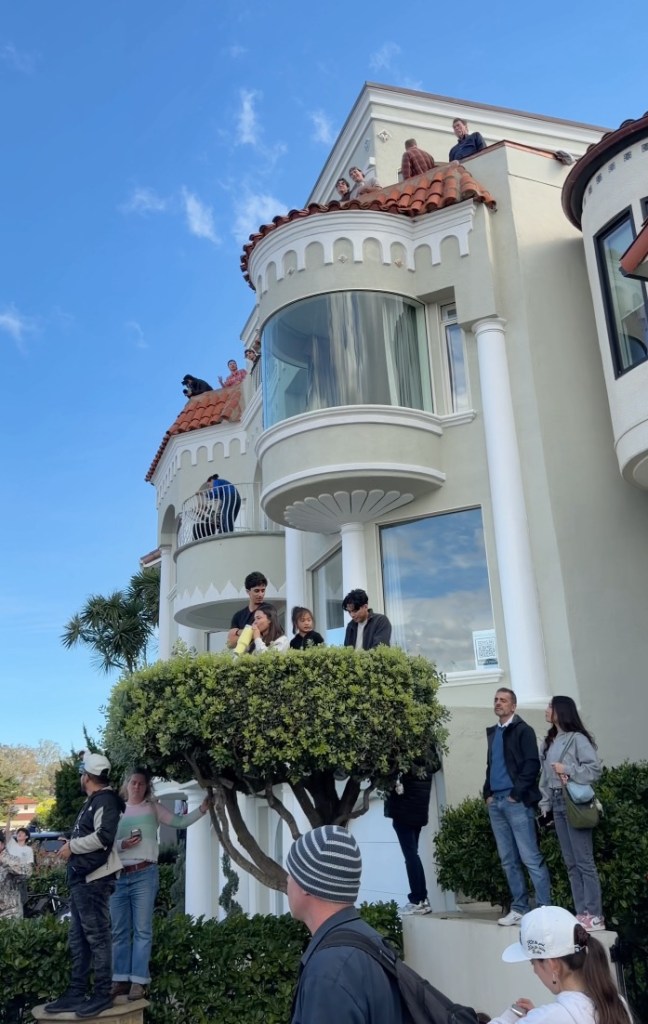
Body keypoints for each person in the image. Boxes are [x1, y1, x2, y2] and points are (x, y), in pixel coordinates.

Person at [111, 768, 212, 1003]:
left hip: (145, 873)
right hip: (117, 874)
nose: (137, 787)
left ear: (147, 787)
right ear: (126, 784)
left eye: (142, 784)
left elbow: (179, 821)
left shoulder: (152, 807)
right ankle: (119, 979)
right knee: (119, 931)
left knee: (143, 929)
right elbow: (105, 843)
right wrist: (123, 844)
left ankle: (138, 981)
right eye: (134, 783)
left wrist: (203, 809)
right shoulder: (115, 810)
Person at [287, 825, 403, 1024]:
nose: (287, 879)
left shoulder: (329, 972)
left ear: (307, 884)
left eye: (291, 873)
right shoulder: (370, 941)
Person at [45, 753, 125, 1018]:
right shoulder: (95, 801)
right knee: (79, 938)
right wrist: (70, 841)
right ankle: (77, 993)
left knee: (98, 938)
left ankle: (101, 995)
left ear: (87, 776)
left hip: (94, 880)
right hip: (84, 880)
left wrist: (72, 846)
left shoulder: (105, 800)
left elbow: (104, 836)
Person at [490, 905, 631, 1023]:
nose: (534, 971)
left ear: (553, 965)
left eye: (533, 963)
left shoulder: (548, 1017)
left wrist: (510, 1016)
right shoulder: (617, 1003)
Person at [484, 688, 551, 926]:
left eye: (503, 700)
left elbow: (532, 765)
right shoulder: (494, 732)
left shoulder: (523, 730)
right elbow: (491, 765)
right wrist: (488, 794)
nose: (498, 703)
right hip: (496, 803)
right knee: (508, 860)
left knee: (530, 857)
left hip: (516, 802)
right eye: (496, 700)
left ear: (513, 707)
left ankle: (544, 909)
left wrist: (515, 794)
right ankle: (519, 908)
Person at [539, 697, 604, 932]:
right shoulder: (548, 742)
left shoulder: (577, 739)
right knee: (571, 863)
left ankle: (595, 914)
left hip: (573, 802)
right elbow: (545, 778)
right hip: (556, 802)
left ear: (560, 711)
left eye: (550, 706)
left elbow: (594, 770)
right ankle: (582, 913)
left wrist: (566, 769)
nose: (546, 710)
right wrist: (545, 803)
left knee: (584, 861)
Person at [384, 766, 434, 916]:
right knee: (413, 854)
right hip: (418, 810)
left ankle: (418, 899)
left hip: (404, 809)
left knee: (411, 856)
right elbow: (434, 766)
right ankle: (422, 900)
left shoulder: (405, 754)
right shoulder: (428, 755)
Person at [227, 571, 268, 648]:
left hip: (263, 656)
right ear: (248, 592)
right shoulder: (238, 616)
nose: (260, 594)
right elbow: (230, 643)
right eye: (256, 591)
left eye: (263, 590)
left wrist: (238, 632)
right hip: (244, 658)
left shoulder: (269, 610)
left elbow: (264, 635)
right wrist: (252, 633)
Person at [0, 829, 33, 920]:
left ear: (2, 844)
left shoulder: (11, 857)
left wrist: (3, 860)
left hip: (9, 914)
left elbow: (27, 872)